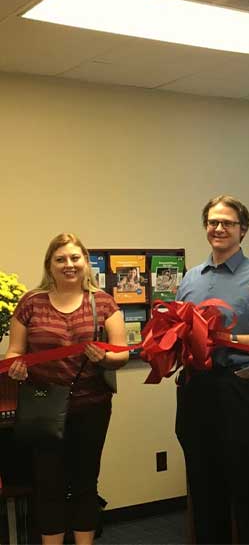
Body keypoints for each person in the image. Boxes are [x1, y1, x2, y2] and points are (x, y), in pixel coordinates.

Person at [175, 195, 249, 544]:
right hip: (197, 389)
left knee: (246, 485)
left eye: (227, 222)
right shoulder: (191, 278)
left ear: (242, 230)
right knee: (203, 483)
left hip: (240, 390)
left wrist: (229, 338)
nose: (219, 228)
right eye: (213, 222)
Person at [7, 233, 128, 545]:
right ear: (50, 264)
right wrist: (15, 367)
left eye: (75, 258)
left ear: (85, 262)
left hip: (91, 406)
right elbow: (14, 351)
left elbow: (121, 353)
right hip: (44, 406)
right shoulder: (31, 303)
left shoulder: (104, 303)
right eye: (60, 259)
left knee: (86, 482)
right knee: (48, 484)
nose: (69, 264)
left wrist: (106, 358)